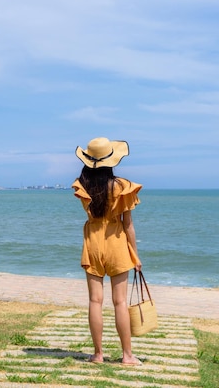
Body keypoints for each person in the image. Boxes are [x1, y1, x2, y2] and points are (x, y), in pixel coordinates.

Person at [71, 137, 143, 366]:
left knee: (95, 301)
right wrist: (135, 254)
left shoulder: (82, 186)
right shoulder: (122, 187)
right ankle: (127, 355)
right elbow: (128, 224)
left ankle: (98, 354)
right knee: (120, 302)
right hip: (116, 243)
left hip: (92, 243)